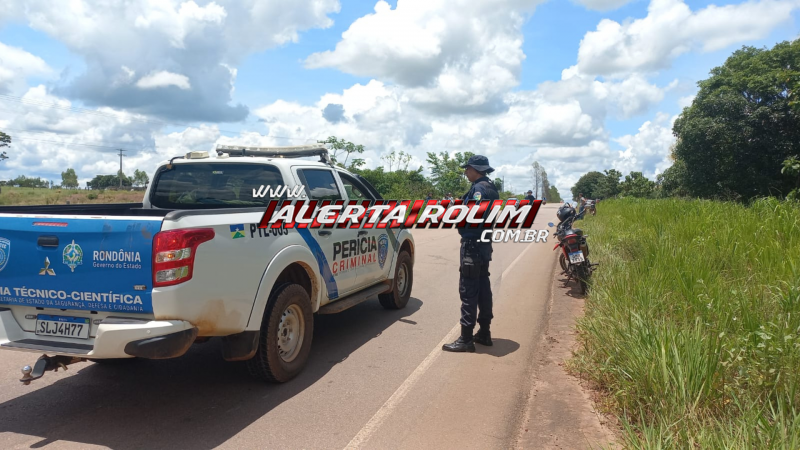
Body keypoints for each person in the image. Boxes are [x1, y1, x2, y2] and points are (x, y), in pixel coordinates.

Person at [442, 155, 499, 352]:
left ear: (475, 169)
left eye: (467, 169)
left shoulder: (478, 190)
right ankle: (484, 332)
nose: (466, 172)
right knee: (483, 287)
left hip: (472, 245)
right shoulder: (491, 187)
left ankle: (466, 339)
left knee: (468, 290)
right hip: (483, 243)